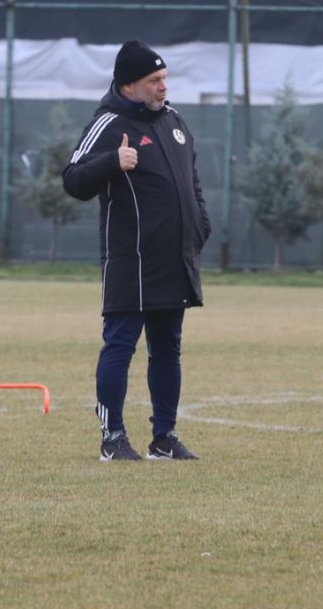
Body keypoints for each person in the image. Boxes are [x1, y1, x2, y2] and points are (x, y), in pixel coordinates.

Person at [63, 39, 211, 461]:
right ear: (129, 86)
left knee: (167, 350)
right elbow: (72, 179)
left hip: (174, 259)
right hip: (132, 260)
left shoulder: (174, 120)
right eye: (154, 80)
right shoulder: (108, 123)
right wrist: (113, 161)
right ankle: (113, 439)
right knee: (120, 347)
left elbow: (192, 181)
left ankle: (164, 438)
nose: (163, 86)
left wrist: (200, 224)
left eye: (164, 77)